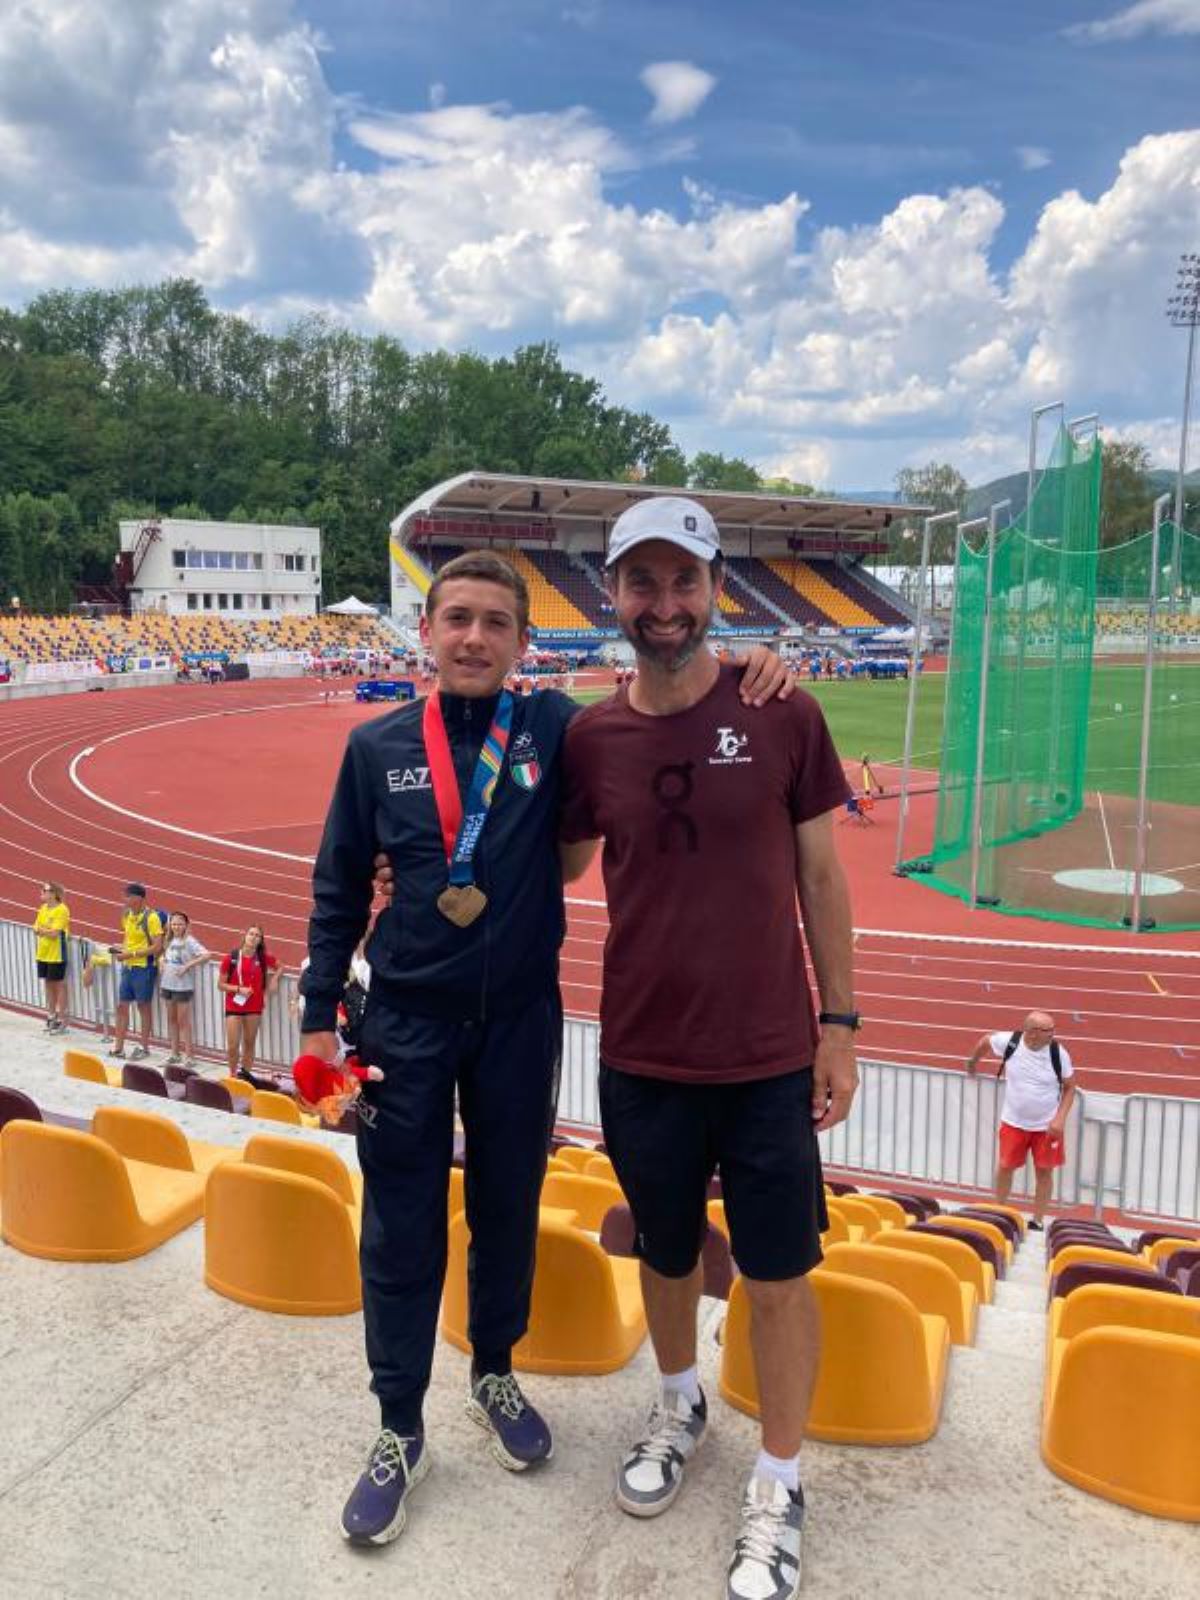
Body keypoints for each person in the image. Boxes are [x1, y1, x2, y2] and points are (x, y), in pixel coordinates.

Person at [302, 549, 792, 1550]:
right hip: (403, 1024)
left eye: (496, 622)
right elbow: (339, 885)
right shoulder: (375, 747)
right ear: (426, 631)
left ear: (525, 641)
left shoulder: (557, 730)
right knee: (398, 1228)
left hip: (520, 1021)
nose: (474, 637)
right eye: (457, 618)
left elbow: (664, 696)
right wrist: (317, 1018)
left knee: (507, 1208)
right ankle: (399, 1426)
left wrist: (750, 663)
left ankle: (494, 1370)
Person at [558, 496, 858, 1600]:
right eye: (642, 581)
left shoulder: (784, 711)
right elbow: (557, 865)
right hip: (643, 1050)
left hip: (769, 1053)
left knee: (779, 1275)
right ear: (612, 594)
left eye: (683, 580)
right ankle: (679, 1401)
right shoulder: (591, 739)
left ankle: (779, 1479)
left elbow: (821, 876)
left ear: (716, 587)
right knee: (667, 1251)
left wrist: (840, 1025)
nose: (665, 602)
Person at [965, 1012, 1077, 1231]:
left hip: (1046, 1127)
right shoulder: (1010, 1042)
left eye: (1052, 1029)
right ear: (1032, 1032)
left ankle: (1037, 1220)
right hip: (1013, 1123)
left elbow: (1070, 1087)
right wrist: (972, 1062)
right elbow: (986, 1041)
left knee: (1044, 1172)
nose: (1053, 1034)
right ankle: (998, 1211)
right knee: (1005, 1167)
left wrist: (1060, 1119)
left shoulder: (1058, 1053)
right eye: (1048, 1030)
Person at [217, 924, 280, 1079]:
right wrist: (239, 989)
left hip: (254, 1007)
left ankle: (245, 1075)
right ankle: (233, 1075)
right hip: (234, 1006)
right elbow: (220, 985)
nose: (253, 937)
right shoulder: (231, 958)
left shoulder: (263, 958)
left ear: (260, 940)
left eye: (257, 935)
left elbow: (280, 966)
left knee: (249, 1043)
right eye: (251, 934)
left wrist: (274, 980)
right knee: (233, 1046)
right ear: (245, 936)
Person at [109, 883, 163, 1061]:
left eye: (128, 896)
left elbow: (157, 947)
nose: (125, 899)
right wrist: (122, 949)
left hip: (144, 968)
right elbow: (128, 939)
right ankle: (119, 1047)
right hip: (128, 968)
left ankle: (144, 1047)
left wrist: (131, 954)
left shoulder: (152, 918)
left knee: (143, 1007)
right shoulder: (127, 914)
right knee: (122, 1006)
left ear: (139, 898)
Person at [159, 913, 209, 1068]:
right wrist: (161, 960)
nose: (176, 927)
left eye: (180, 924)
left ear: (186, 925)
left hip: (182, 986)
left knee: (183, 1021)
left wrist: (187, 966)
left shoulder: (189, 941)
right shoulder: (168, 939)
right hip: (167, 984)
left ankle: (189, 1056)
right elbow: (165, 956)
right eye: (174, 924)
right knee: (171, 1020)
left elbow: (207, 955)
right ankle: (175, 1054)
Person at [33, 881, 70, 1033]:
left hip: (56, 953)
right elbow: (35, 927)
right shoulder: (43, 908)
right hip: (43, 952)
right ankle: (51, 1015)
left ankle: (62, 1019)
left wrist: (43, 930)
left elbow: (55, 933)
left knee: (59, 985)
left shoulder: (62, 910)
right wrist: (44, 930)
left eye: (45, 890)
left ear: (54, 894)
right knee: (48, 984)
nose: (42, 892)